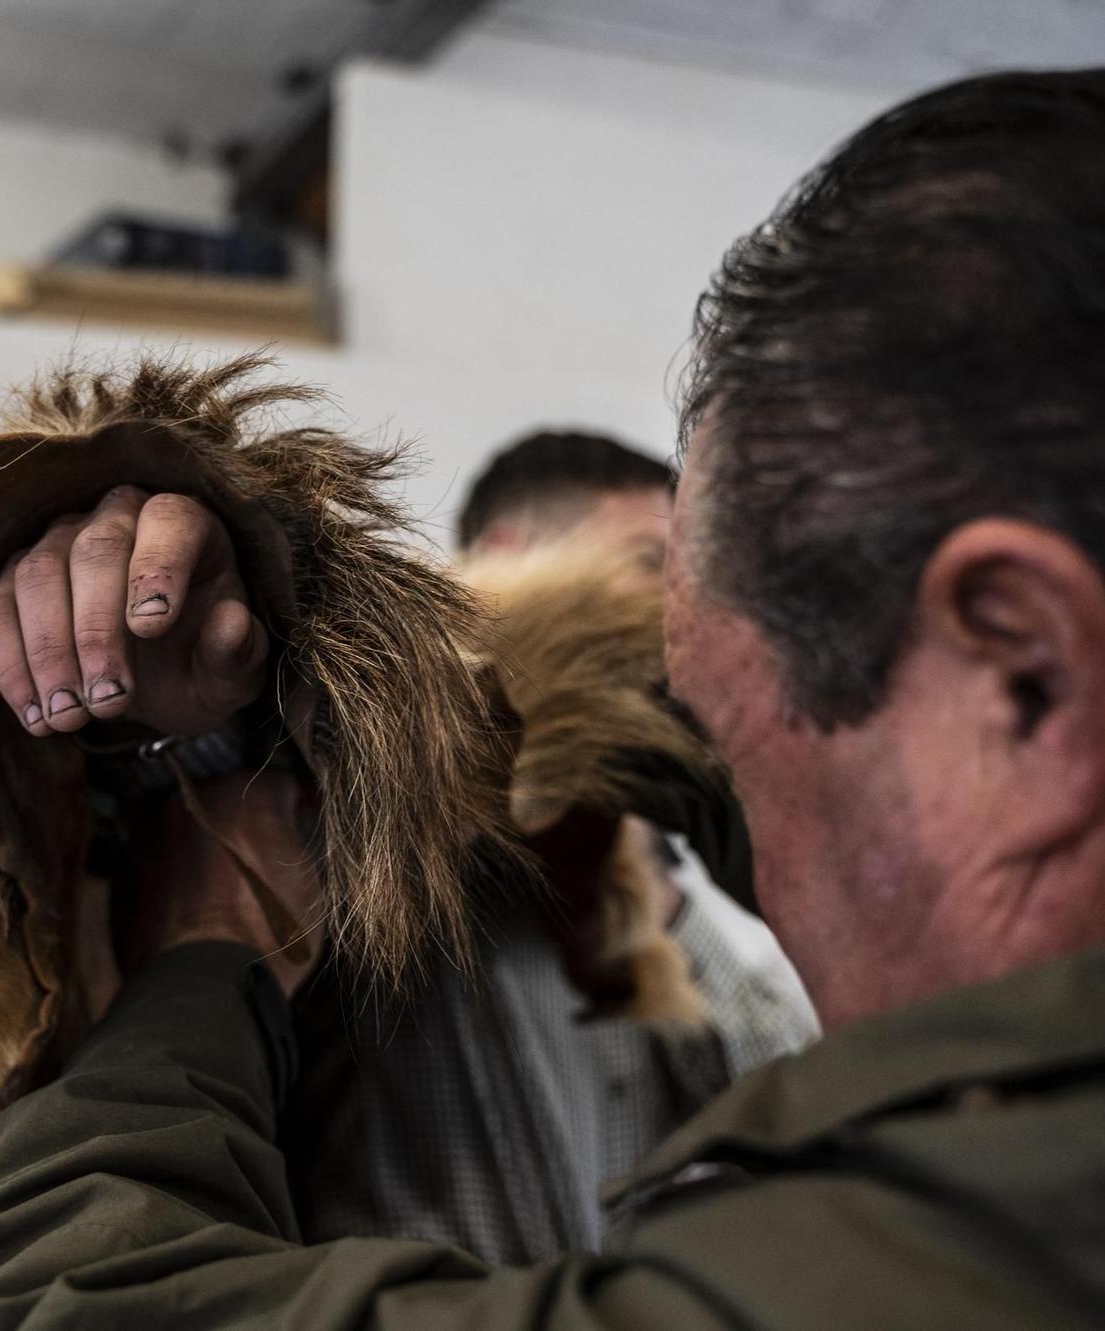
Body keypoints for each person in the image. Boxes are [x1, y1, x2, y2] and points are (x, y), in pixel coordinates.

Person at [0, 61, 1105, 1328]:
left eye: (733, 735)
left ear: (1027, 681)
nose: (735, 828)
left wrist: (201, 951)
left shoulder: (1014, 1229)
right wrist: (293, 646)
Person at [286, 430, 816, 1263]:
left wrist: (656, 897)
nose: (675, 615)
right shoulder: (341, 805)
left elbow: (786, 1100)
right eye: (651, 562)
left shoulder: (671, 850)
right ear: (509, 556)